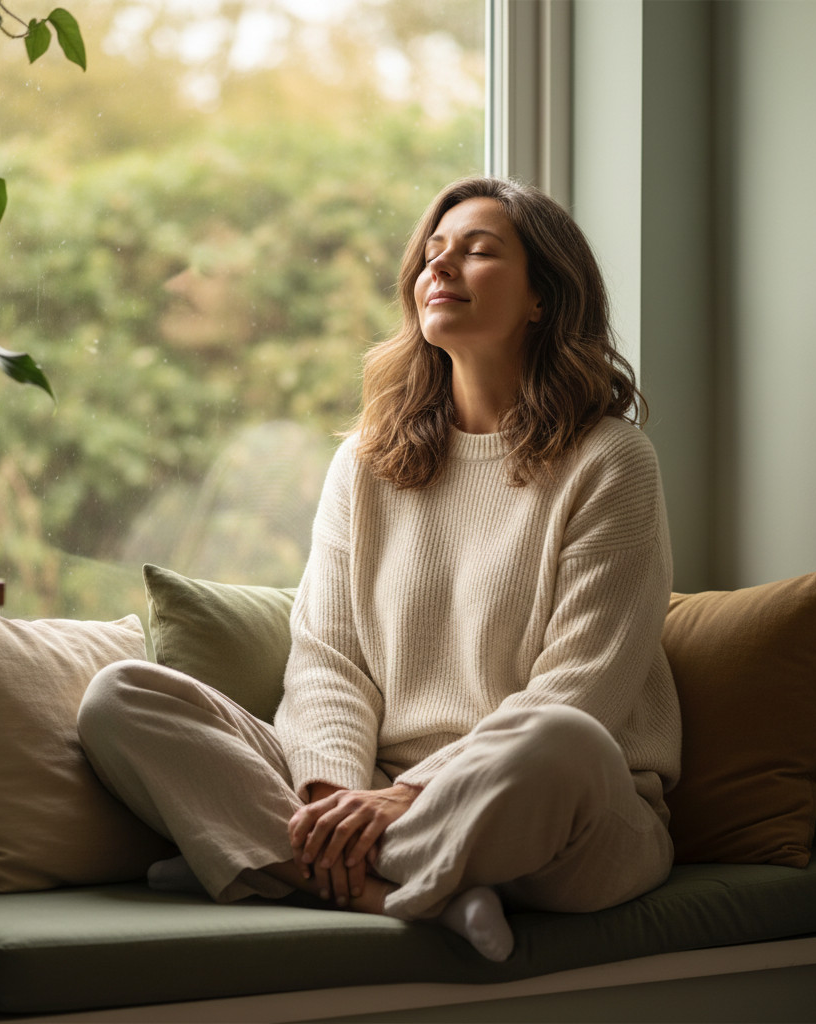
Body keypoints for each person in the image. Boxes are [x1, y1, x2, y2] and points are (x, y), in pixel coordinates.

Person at [78, 175, 681, 962]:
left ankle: (265, 863)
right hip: (375, 793)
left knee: (561, 738)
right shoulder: (368, 462)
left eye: (478, 251)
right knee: (121, 696)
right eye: (432, 253)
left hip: (563, 814)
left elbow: (580, 689)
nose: (441, 266)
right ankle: (412, 895)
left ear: (543, 296)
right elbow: (328, 659)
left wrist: (407, 798)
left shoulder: (611, 461)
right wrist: (335, 796)